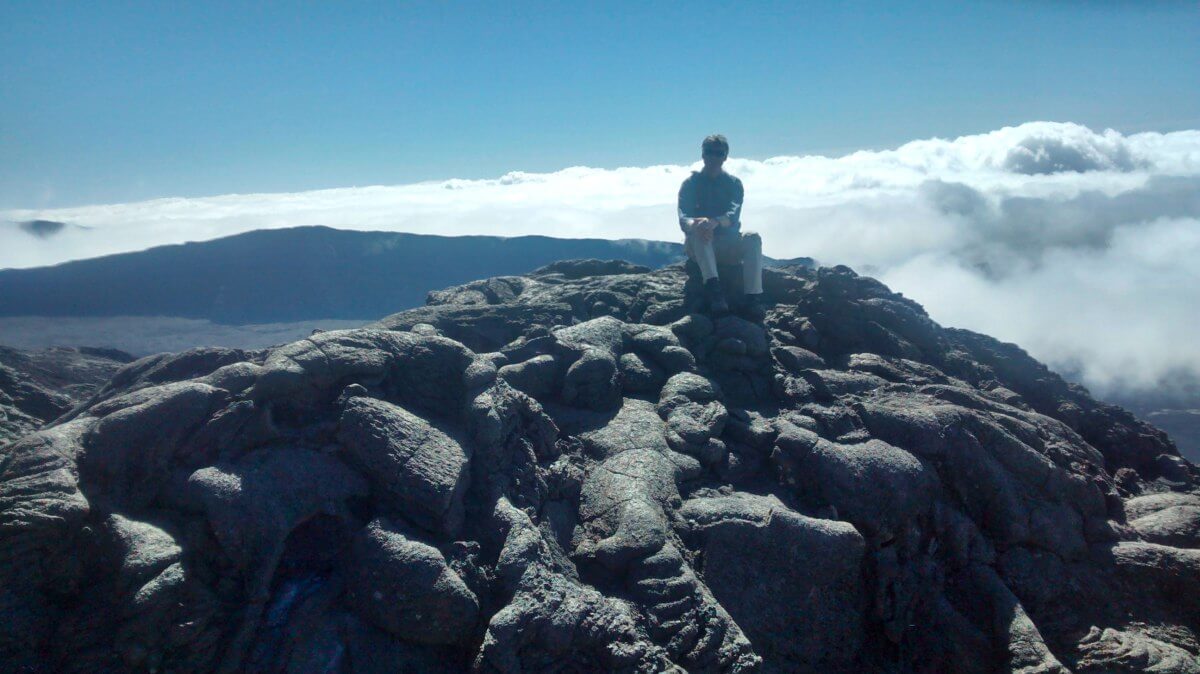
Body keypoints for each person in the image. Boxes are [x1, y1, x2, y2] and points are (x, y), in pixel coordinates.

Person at [677, 134, 764, 318]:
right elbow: (683, 217)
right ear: (703, 154)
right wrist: (698, 224)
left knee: (753, 237)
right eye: (709, 152)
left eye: (719, 153)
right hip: (700, 245)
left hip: (728, 245)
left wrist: (714, 222)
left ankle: (753, 298)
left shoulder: (733, 184)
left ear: (725, 156)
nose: (713, 157)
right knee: (700, 232)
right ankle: (714, 291)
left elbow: (734, 213)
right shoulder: (690, 184)